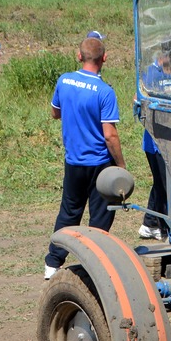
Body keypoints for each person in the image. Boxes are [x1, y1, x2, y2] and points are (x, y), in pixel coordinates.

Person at [43, 34, 125, 279]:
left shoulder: (64, 80)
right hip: (100, 163)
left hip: (73, 161)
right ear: (105, 59)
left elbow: (55, 113)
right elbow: (109, 135)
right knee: (100, 216)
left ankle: (52, 262)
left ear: (79, 56)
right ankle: (94, 263)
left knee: (69, 212)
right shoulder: (105, 91)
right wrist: (120, 165)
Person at [138, 46, 171, 240]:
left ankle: (150, 223)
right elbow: (140, 102)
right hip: (155, 143)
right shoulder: (151, 73)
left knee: (162, 183)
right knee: (165, 184)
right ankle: (165, 227)